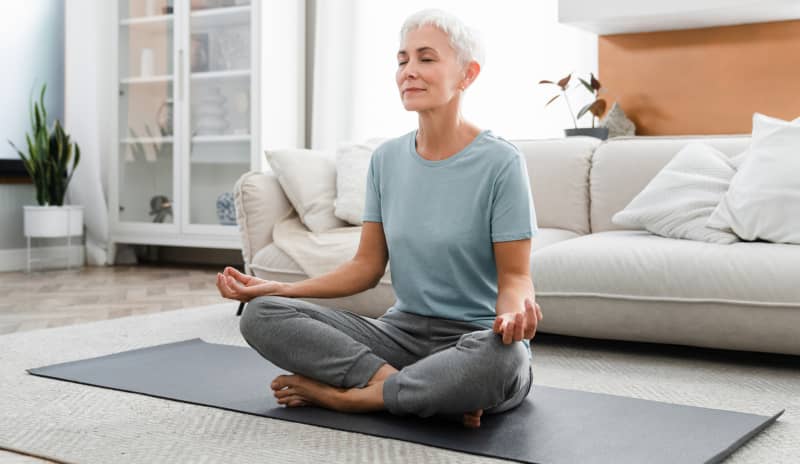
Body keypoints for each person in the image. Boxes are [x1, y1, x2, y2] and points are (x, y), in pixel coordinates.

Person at [216, 8, 543, 429]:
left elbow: (515, 276)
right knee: (262, 314)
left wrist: (513, 317)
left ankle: (351, 399)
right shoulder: (386, 160)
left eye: (426, 58)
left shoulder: (502, 162)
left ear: (467, 74)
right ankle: (414, 391)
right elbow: (365, 268)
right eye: (402, 59)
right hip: (399, 336)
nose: (409, 70)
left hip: (473, 340)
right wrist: (280, 287)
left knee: (505, 360)